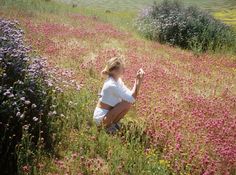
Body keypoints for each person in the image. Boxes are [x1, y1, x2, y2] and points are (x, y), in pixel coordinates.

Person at [93, 56, 145, 132]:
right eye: (122, 67)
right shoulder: (111, 85)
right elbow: (132, 99)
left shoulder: (117, 81)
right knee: (126, 103)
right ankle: (106, 127)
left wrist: (137, 81)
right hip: (101, 118)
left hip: (107, 115)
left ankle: (112, 124)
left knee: (127, 103)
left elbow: (130, 95)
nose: (124, 69)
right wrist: (138, 81)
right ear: (114, 70)